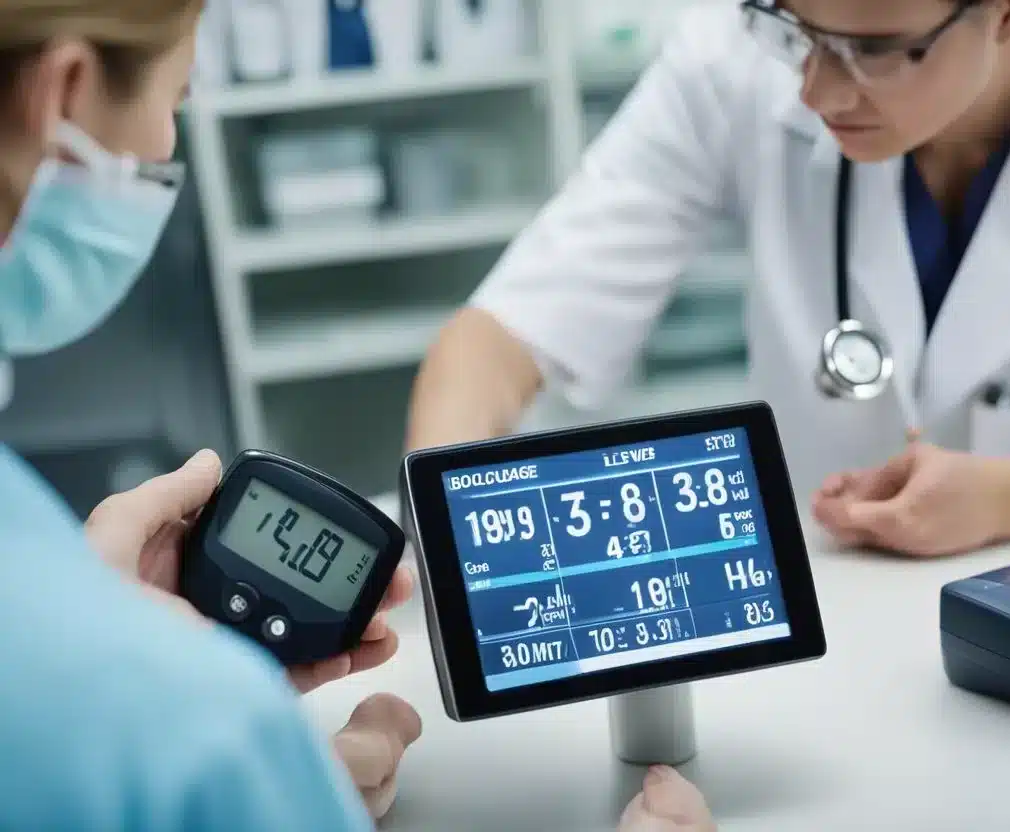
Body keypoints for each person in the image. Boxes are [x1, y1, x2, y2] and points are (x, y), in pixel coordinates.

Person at [0, 2, 716, 828]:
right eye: (179, 97)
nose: (170, 142)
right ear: (66, 96)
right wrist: (265, 779)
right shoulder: (189, 729)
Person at [406, 0, 1010, 559]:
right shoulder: (727, 70)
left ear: (1007, 10)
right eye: (794, 27)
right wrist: (445, 522)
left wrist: (1009, 497)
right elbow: (505, 331)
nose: (818, 89)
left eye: (873, 50)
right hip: (819, 603)